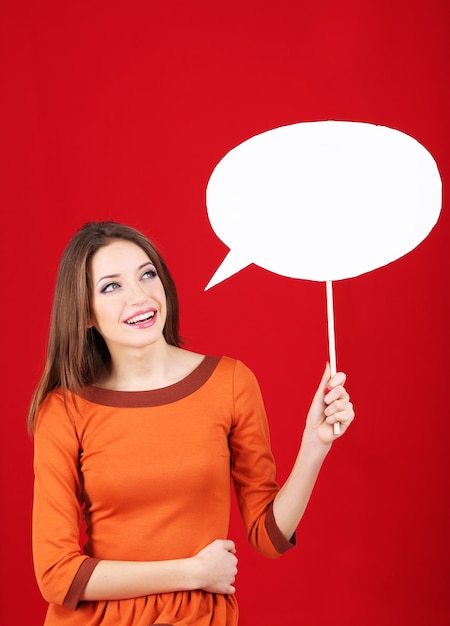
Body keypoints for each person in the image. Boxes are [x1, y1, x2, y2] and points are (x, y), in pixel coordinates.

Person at [28, 220, 355, 626]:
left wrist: (314, 445)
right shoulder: (63, 410)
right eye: (111, 286)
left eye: (147, 275)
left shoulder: (230, 383)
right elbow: (57, 575)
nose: (140, 295)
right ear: (86, 313)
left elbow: (267, 537)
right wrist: (193, 572)